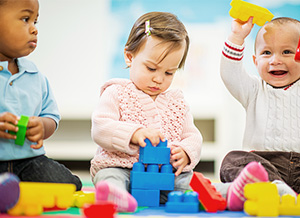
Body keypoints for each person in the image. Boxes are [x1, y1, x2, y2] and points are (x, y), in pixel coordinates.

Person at [90, 12, 202, 212]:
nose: (159, 79)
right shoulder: (116, 92)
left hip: (165, 176)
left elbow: (192, 135)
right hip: (121, 168)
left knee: (191, 185)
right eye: (151, 69)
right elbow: (100, 128)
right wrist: (134, 134)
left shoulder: (177, 102)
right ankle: (115, 196)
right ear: (129, 56)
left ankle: (228, 192)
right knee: (109, 177)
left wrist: (186, 152)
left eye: (169, 73)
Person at [218, 16, 300, 210]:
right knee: (232, 160)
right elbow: (230, 72)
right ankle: (273, 187)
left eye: (287, 52)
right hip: (264, 165)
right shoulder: (253, 90)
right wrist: (237, 36)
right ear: (255, 61)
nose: (275, 60)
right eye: (266, 53)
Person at [0, 0, 82, 191]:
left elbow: (51, 117)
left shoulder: (36, 76)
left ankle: (10, 191)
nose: (34, 29)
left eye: (35, 22)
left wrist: (42, 127)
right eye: (25, 19)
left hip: (29, 161)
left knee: (69, 185)